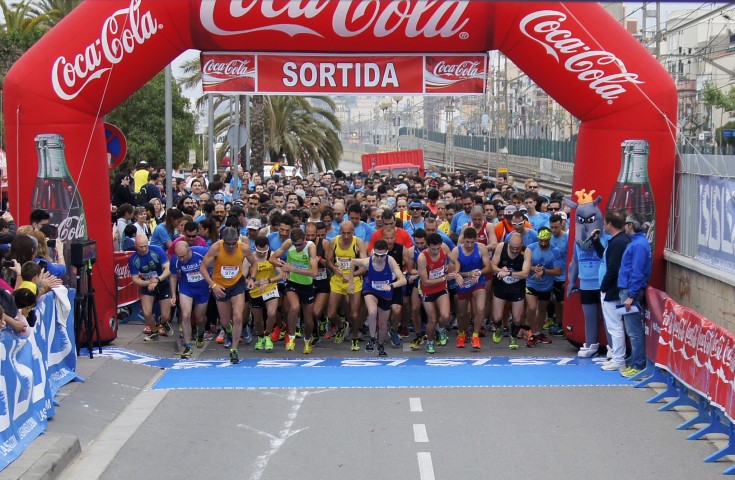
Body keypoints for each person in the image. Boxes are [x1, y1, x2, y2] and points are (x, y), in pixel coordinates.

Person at [199, 227, 257, 364]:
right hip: (220, 286)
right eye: (228, 243)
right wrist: (213, 285)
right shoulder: (216, 248)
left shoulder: (243, 248)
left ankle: (234, 350)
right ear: (223, 241)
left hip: (237, 284)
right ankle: (229, 331)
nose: (231, 246)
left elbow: (254, 264)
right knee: (225, 321)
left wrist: (252, 278)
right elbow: (203, 268)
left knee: (238, 316)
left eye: (234, 243)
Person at [349, 239, 406, 356]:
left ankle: (380, 345)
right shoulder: (368, 261)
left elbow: (403, 280)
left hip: (386, 293)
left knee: (383, 324)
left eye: (382, 255)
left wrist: (391, 285)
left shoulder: (390, 261)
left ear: (387, 253)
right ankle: (372, 338)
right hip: (371, 290)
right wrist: (351, 282)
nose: (379, 258)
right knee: (372, 311)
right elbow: (352, 262)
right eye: (377, 255)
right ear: (373, 251)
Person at [270, 228, 319, 353]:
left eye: (299, 244)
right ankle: (291, 338)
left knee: (308, 319)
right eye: (295, 244)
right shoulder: (288, 243)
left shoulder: (310, 247)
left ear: (304, 240)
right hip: (292, 283)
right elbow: (272, 259)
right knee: (294, 307)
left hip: (307, 285)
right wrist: (282, 266)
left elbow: (314, 272)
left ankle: (307, 341)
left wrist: (292, 268)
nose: (297, 247)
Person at [617, 212, 652, 378]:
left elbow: (637, 271)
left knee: (634, 330)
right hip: (628, 289)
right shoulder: (638, 243)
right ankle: (635, 360)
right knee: (632, 329)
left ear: (630, 225)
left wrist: (631, 295)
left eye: (625, 223)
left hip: (631, 291)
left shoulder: (638, 245)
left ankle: (638, 365)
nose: (624, 226)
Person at [326, 220, 367, 351]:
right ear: (340, 232)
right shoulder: (334, 242)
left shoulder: (358, 243)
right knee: (331, 314)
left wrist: (351, 276)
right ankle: (342, 325)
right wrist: (334, 268)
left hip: (353, 279)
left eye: (349, 233)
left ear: (353, 232)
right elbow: (328, 260)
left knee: (354, 313)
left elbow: (364, 266)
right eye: (343, 233)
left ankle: (355, 338)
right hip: (337, 280)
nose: (346, 236)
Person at [449, 227, 492, 350]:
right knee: (463, 313)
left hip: (477, 282)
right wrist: (467, 274)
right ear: (463, 240)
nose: (469, 245)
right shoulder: (456, 251)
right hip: (463, 283)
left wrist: (479, 272)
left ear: (476, 239)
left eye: (472, 242)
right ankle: (462, 333)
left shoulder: (481, 248)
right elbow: (452, 272)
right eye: (467, 242)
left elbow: (489, 267)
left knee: (480, 308)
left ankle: (475, 335)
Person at [598, 210, 630, 371]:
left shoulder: (618, 243)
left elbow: (613, 268)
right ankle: (617, 357)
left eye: (604, 223)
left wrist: (604, 285)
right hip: (613, 288)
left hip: (612, 289)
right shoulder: (618, 241)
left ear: (610, 224)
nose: (603, 226)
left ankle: (618, 358)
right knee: (614, 325)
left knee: (614, 325)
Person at [490, 232, 532, 349]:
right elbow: (492, 266)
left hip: (517, 287)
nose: (514, 251)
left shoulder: (526, 251)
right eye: (512, 248)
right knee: (497, 317)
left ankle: (513, 336)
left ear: (522, 245)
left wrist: (508, 272)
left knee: (518, 319)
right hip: (501, 286)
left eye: (517, 249)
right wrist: (500, 270)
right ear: (508, 244)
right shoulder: (501, 247)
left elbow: (525, 273)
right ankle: (499, 327)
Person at [169, 242, 210, 358]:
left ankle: (201, 332)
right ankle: (188, 346)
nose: (181, 259)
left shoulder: (201, 252)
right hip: (186, 288)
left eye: (183, 256)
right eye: (179, 256)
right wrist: (173, 295)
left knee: (200, 318)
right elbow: (172, 276)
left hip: (202, 289)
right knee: (185, 315)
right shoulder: (175, 260)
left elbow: (215, 260)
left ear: (189, 251)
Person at [417, 233, 456, 354]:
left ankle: (441, 329)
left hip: (441, 288)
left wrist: (454, 271)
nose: (436, 251)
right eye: (433, 249)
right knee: (432, 320)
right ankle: (430, 341)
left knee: (445, 316)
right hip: (427, 290)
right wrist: (445, 278)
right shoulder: (422, 258)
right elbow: (425, 281)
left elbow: (455, 260)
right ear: (427, 246)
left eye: (438, 248)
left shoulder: (444, 247)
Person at [523, 227, 563, 347]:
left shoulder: (555, 251)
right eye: (541, 240)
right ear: (538, 239)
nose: (543, 243)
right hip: (531, 282)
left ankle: (538, 333)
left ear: (550, 239)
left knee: (541, 310)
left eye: (546, 241)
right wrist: (533, 268)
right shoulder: (531, 248)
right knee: (532, 307)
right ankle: (532, 332)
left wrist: (544, 271)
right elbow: (524, 265)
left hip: (546, 285)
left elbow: (558, 271)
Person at [128, 234, 172, 341]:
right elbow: (135, 279)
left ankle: (162, 322)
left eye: (145, 246)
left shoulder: (156, 250)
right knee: (147, 313)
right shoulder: (133, 259)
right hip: (148, 285)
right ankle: (154, 331)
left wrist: (157, 280)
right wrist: (149, 282)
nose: (143, 249)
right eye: (140, 247)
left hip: (162, 283)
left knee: (165, 316)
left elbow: (168, 268)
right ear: (135, 246)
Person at [249, 236, 282, 351]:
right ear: (255, 248)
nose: (263, 254)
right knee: (258, 320)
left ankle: (268, 335)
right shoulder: (250, 258)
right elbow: (243, 275)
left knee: (272, 313)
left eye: (265, 251)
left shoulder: (272, 256)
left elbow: (281, 274)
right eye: (260, 251)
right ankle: (260, 336)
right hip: (255, 291)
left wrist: (269, 280)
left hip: (270, 288)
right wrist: (252, 282)